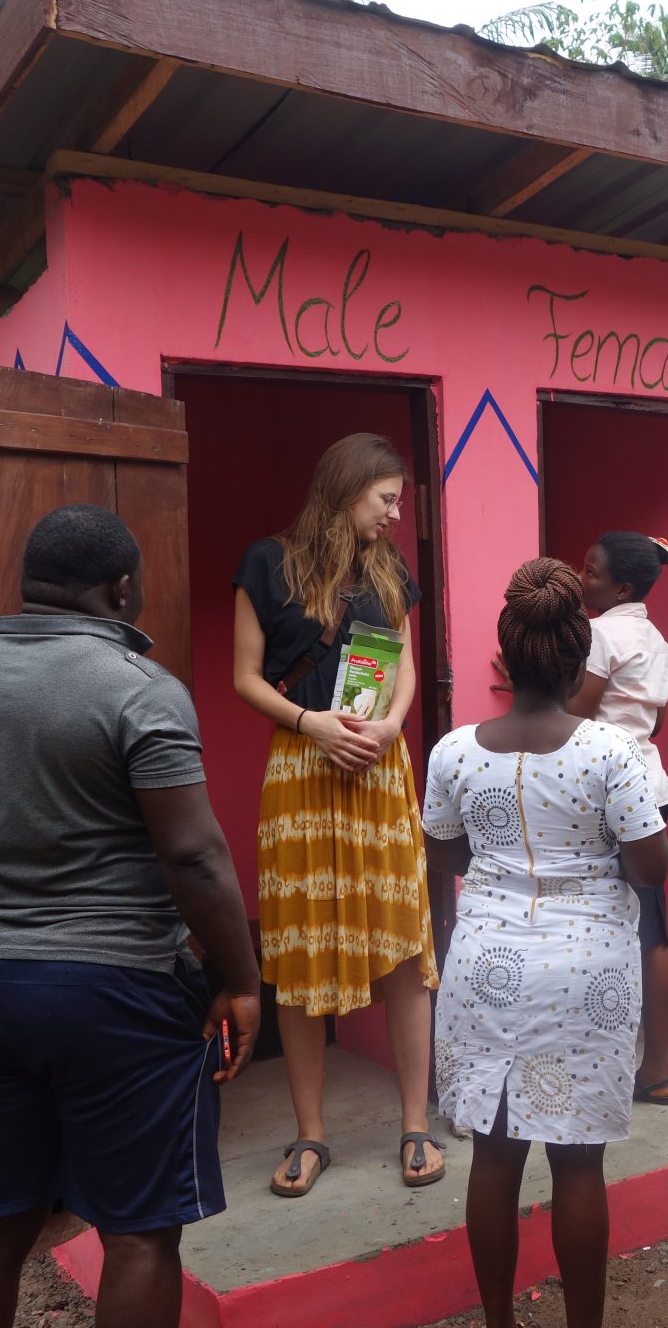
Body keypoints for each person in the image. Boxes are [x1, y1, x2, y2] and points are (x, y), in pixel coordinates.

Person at [0, 504, 261, 1328]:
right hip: (121, 990)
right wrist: (242, 980)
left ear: (29, 582)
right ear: (121, 587)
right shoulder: (141, 690)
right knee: (139, 1233)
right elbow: (194, 855)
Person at [422, 558, 668, 1328]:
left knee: (494, 1155)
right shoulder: (610, 751)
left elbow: (444, 853)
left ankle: (499, 1320)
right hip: (586, 968)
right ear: (576, 658)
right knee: (578, 1160)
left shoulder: (453, 750)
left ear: (511, 652)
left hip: (485, 962)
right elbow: (651, 865)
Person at [231, 433, 440, 1195]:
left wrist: (392, 726)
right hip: (301, 771)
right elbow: (244, 677)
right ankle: (310, 1134)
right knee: (299, 951)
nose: (395, 514)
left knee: (402, 945)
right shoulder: (266, 564)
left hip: (380, 772)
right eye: (386, 498)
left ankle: (415, 1123)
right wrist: (308, 722)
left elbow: (405, 664)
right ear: (347, 488)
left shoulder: (388, 569)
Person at [567, 531, 668, 1107]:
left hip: (608, 794)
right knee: (651, 930)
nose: (580, 578)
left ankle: (585, 1064)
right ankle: (658, 1070)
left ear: (622, 588)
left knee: (590, 927)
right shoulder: (658, 642)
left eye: (591, 572)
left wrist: (526, 688)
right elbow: (654, 725)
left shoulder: (600, 634)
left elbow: (577, 713)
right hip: (651, 792)